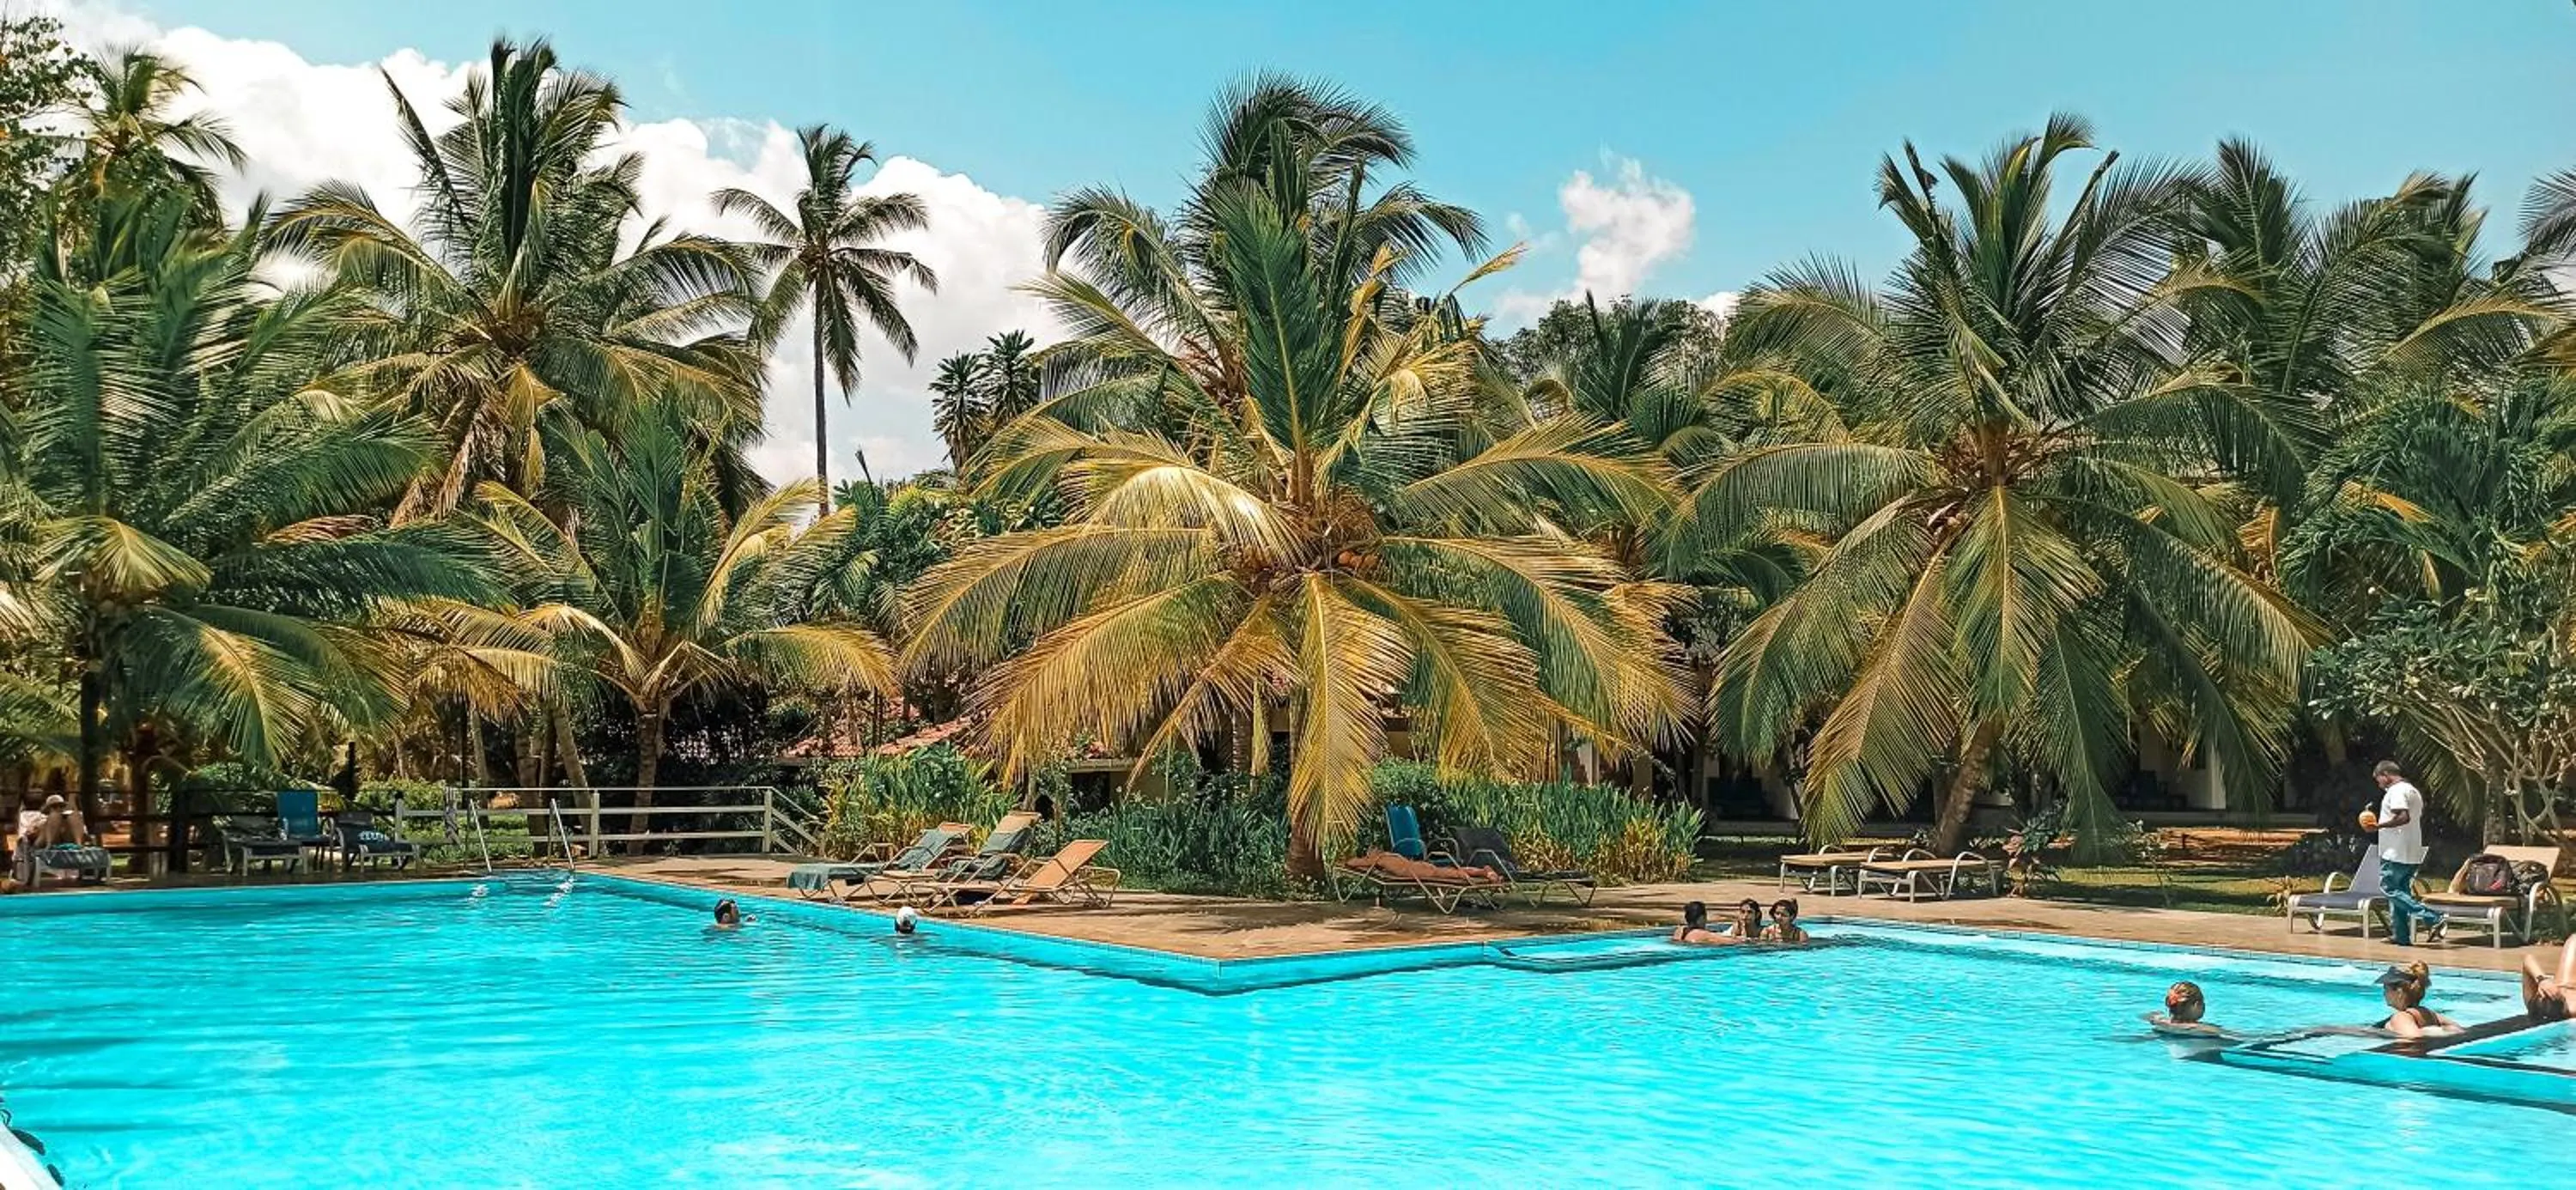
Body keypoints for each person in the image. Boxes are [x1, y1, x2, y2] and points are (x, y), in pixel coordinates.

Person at [2360, 761, 2445, 946]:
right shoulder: (2412, 790)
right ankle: (2401, 935)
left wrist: (2377, 826)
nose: (2379, 784)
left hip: (2395, 850)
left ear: (2386, 774)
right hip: (2411, 849)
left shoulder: (2397, 791)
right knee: (2400, 892)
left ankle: (2431, 916)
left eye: (2379, 780)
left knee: (2389, 888)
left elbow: (2403, 817)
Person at [2375, 962, 2460, 1039]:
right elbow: (2459, 1030)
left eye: (2386, 988)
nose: (2384, 993)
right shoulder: (2429, 1014)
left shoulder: (2401, 1017)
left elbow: (2414, 1040)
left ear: (2399, 992)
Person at [2522, 936, 2576, 1023]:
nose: (2545, 992)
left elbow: (2528, 959)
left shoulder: (2533, 1005)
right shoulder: (2572, 1007)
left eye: (2541, 994)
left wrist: (2542, 980)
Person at [2147, 981, 2223, 1037]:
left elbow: (2151, 1015)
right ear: (2196, 1005)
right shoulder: (2208, 1030)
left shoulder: (2161, 1022)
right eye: (2203, 1002)